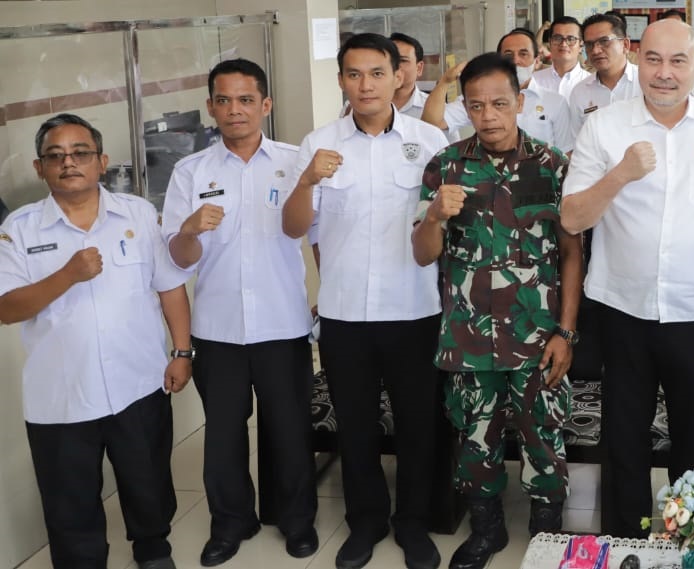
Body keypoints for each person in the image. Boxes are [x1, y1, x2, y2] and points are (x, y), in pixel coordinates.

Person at [560, 19, 694, 538]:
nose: (664, 74)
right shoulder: (604, 126)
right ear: (634, 56)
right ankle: (626, 539)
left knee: (693, 439)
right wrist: (619, 174)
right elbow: (573, 218)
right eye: (653, 59)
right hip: (622, 309)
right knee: (624, 438)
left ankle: (690, 539)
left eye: (677, 61)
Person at [280, 33, 450, 569]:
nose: (365, 85)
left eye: (377, 72)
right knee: (353, 425)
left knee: (417, 423)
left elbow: (442, 231)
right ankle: (366, 521)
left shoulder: (429, 141)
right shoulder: (318, 144)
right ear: (341, 81)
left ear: (398, 76)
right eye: (354, 74)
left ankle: (413, 523)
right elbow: (292, 228)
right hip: (345, 311)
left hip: (414, 309)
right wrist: (306, 180)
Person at [411, 52, 585, 569]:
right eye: (476, 105)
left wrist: (567, 333)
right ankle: (486, 532)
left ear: (521, 102)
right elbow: (422, 253)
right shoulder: (445, 165)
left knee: (544, 440)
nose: (488, 115)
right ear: (464, 106)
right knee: (475, 440)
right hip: (468, 337)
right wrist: (436, 217)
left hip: (538, 337)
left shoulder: (552, 165)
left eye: (499, 103)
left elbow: (573, 255)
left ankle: (546, 538)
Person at [0, 113, 193, 569]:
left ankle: (153, 549)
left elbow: (169, 286)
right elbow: (7, 309)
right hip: (62, 395)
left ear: (102, 161)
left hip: (137, 382)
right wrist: (67, 274)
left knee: (147, 482)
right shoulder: (19, 231)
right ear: (39, 168)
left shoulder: (138, 214)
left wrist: (182, 352)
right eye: (56, 155)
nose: (69, 163)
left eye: (80, 152)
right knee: (71, 500)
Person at [160, 58, 318, 566]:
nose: (235, 110)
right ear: (210, 108)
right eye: (223, 101)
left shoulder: (295, 163)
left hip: (283, 322)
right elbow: (178, 259)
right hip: (218, 330)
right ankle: (230, 523)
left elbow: (316, 240)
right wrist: (187, 230)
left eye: (246, 99)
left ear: (265, 105)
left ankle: (295, 520)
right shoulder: (191, 172)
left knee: (289, 429)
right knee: (223, 434)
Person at [424, 29, 576, 153]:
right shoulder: (481, 98)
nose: (515, 61)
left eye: (523, 54)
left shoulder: (555, 102)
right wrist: (445, 82)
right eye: (508, 55)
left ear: (537, 61)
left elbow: (566, 152)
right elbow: (432, 123)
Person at [567, 13, 642, 137]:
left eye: (604, 41)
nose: (596, 51)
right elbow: (578, 143)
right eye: (590, 44)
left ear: (625, 45)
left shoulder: (646, 83)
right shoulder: (580, 92)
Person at [341, 32, 429, 119]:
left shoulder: (435, 108)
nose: (395, 66)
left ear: (419, 68)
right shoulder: (354, 105)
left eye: (402, 60)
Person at [531, 16, 592, 99]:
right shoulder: (534, 81)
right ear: (550, 43)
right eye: (557, 38)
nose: (563, 44)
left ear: (581, 45)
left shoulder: (592, 83)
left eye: (571, 39)